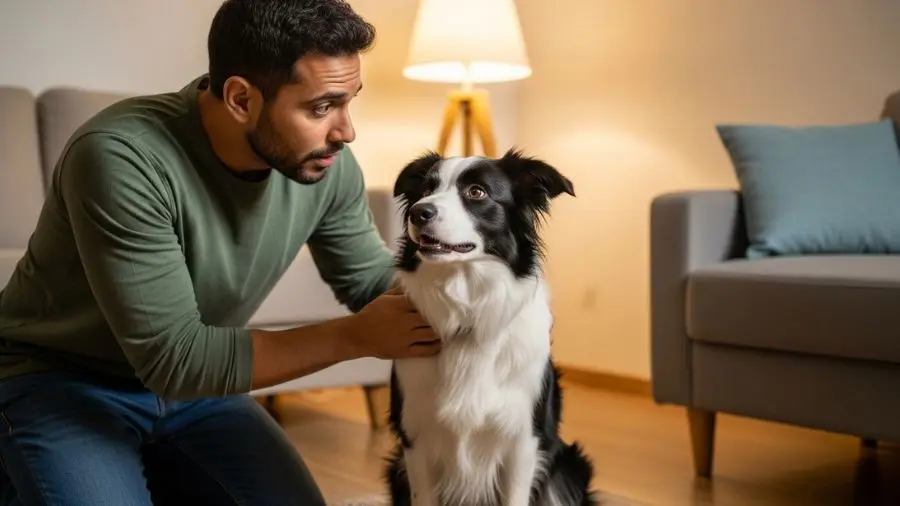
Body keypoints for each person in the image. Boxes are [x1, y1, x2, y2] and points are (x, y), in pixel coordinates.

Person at [0, 0, 441, 504]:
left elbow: (367, 279)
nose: (346, 131)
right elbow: (177, 358)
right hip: (57, 381)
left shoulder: (327, 165)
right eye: (321, 107)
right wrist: (353, 337)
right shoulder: (121, 156)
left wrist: (474, 299)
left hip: (192, 394)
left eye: (349, 101)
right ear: (239, 98)